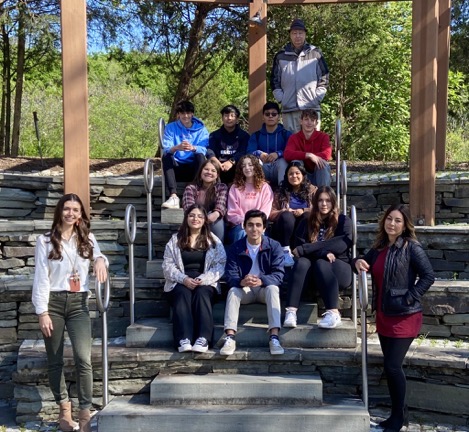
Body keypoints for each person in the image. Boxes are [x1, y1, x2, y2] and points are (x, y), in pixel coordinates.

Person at [353, 204, 434, 432]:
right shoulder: (379, 247)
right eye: (390, 219)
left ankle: (397, 418)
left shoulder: (411, 248)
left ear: (405, 224)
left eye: (398, 220)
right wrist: (356, 262)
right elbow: (361, 262)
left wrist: (410, 297)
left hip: (404, 316)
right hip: (384, 314)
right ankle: (399, 416)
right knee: (390, 368)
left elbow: (429, 276)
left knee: (392, 366)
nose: (392, 224)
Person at [32, 193, 108, 432]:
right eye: (67, 209)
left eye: (76, 210)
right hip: (53, 302)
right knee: (54, 360)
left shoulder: (88, 238)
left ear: (80, 214)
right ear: (60, 211)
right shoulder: (45, 241)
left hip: (78, 304)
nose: (71, 213)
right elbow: (41, 278)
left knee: (83, 358)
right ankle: (64, 409)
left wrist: (99, 260)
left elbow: (101, 257)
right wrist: (42, 312)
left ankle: (85, 413)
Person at [283, 186, 352, 329]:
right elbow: (298, 248)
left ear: (333, 202)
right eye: (320, 200)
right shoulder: (306, 221)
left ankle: (333, 312)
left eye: (327, 200)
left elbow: (341, 243)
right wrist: (323, 251)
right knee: (302, 262)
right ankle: (291, 311)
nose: (324, 204)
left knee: (321, 262)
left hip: (339, 269)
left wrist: (309, 248)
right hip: (311, 273)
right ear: (315, 202)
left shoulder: (343, 221)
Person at [162, 204, 226, 353]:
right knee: (182, 293)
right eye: (191, 215)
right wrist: (183, 279)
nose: (195, 219)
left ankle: (203, 338)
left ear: (205, 220)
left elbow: (219, 265)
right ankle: (183, 339)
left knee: (202, 293)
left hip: (205, 281)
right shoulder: (175, 240)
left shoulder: (214, 241)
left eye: (199, 216)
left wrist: (203, 280)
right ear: (186, 218)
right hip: (179, 281)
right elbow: (167, 265)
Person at [220, 209, 285, 356]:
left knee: (273, 289)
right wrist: (242, 282)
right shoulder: (236, 247)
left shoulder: (274, 246)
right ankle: (230, 337)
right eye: (250, 225)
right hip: (245, 290)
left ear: (264, 228)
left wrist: (262, 280)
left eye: (258, 225)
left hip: (264, 289)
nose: (254, 229)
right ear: (244, 226)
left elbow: (279, 275)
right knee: (233, 291)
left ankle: (274, 337)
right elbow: (230, 276)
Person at [271, 18, 329, 133]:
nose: (297, 36)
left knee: (312, 144)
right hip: (289, 110)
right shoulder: (281, 55)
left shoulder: (316, 53)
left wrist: (317, 97)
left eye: (300, 33)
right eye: (294, 33)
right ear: (290, 35)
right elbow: (274, 80)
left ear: (305, 34)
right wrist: (282, 99)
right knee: (291, 144)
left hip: (311, 108)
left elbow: (324, 77)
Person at [161, 100, 209, 209]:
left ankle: (196, 191)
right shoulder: (170, 127)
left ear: (192, 114)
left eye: (188, 113)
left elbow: (205, 148)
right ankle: (173, 196)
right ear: (178, 114)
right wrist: (177, 148)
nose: (185, 116)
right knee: (166, 156)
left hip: (194, 168)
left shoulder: (201, 129)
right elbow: (166, 148)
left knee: (200, 155)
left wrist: (193, 148)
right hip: (177, 166)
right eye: (182, 113)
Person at [269, 160, 317, 266]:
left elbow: (319, 210)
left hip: (304, 229)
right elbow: (270, 214)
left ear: (303, 175)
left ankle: (300, 249)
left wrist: (303, 210)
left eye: (297, 173)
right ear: (286, 176)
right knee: (287, 216)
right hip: (284, 228)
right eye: (290, 174)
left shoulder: (312, 190)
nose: (294, 176)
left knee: (307, 215)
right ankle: (285, 251)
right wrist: (284, 211)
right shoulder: (280, 191)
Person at [226, 154, 274, 243]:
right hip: (239, 226)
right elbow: (232, 213)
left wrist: (254, 223)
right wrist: (246, 223)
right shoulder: (235, 187)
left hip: (259, 226)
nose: (247, 168)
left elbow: (265, 211)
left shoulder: (265, 187)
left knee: (257, 235)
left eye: (250, 165)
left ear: (256, 167)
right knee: (243, 233)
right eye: (243, 166)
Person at [247, 102, 292, 187]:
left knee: (282, 161)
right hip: (263, 167)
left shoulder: (286, 134)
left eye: (274, 114)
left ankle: (283, 193)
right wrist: (259, 153)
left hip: (279, 168)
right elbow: (249, 152)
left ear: (278, 117)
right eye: (267, 114)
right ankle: (256, 192)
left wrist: (278, 154)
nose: (270, 116)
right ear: (263, 117)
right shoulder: (256, 135)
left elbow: (291, 151)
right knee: (254, 161)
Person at [284, 109, 332, 187]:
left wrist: (314, 157)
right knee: (296, 162)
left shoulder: (323, 136)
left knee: (323, 164)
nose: (309, 122)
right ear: (301, 121)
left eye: (312, 120)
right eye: (306, 119)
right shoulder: (294, 138)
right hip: (302, 173)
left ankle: (323, 195)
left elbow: (326, 154)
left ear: (316, 123)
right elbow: (287, 154)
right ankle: (298, 196)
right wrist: (308, 155)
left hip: (319, 173)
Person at [182, 160, 228, 242]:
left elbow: (221, 205)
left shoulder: (222, 187)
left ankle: (217, 248)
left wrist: (215, 214)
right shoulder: (191, 188)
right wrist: (201, 218)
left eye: (213, 170)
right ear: (201, 171)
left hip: (213, 221)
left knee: (217, 219)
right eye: (206, 169)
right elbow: (189, 208)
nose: (209, 172)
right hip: (195, 220)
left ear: (217, 175)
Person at [207, 105, 250, 184]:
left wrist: (231, 162)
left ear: (237, 119)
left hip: (236, 165)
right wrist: (217, 163)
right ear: (222, 118)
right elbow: (210, 151)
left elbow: (243, 152)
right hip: (218, 164)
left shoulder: (244, 135)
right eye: (226, 115)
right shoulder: (214, 135)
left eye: (232, 116)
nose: (229, 118)